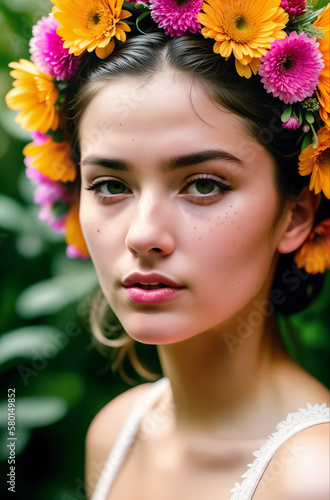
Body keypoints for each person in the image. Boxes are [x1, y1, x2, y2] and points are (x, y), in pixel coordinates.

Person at [5, 1, 330, 499]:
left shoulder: (313, 477)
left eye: (203, 185)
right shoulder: (116, 433)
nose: (142, 235)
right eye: (111, 186)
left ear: (296, 215)